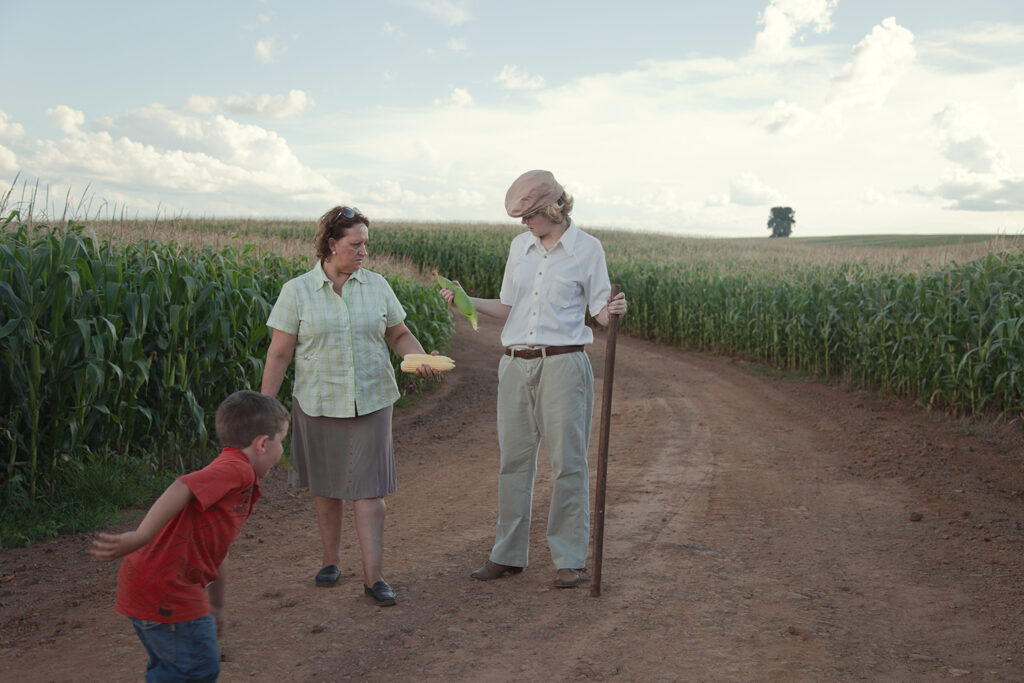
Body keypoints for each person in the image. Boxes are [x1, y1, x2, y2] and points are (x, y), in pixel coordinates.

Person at [441, 170, 628, 588]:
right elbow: (510, 306)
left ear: (551, 210)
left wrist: (613, 309)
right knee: (514, 463)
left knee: (568, 463)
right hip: (514, 365)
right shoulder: (519, 248)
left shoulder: (587, 249)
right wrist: (466, 302)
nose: (524, 225)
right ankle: (508, 555)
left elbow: (599, 312)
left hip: (563, 365)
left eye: (528, 216)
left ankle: (569, 558)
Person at [260, 205, 440, 606]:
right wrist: (264, 407)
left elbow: (399, 334)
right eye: (355, 245)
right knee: (326, 487)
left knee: (369, 490)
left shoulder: (376, 286)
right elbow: (279, 354)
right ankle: (330, 561)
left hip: (372, 399)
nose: (363, 253)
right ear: (330, 244)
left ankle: (374, 578)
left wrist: (419, 358)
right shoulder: (297, 291)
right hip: (319, 400)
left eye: (366, 245)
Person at [90, 389, 290, 682]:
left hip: (155, 584)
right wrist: (139, 535)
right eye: (282, 441)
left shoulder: (233, 475)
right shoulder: (238, 469)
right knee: (197, 668)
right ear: (262, 444)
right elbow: (183, 485)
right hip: (168, 587)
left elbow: (218, 552)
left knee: (174, 668)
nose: (283, 451)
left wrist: (217, 607)